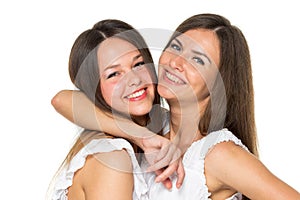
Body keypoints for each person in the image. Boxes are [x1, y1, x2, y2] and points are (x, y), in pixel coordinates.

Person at [52, 14, 300, 199]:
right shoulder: (152, 124)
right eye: (176, 47)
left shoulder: (217, 154)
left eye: (197, 59)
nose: (177, 63)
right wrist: (142, 136)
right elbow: (64, 100)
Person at [49, 19, 183, 200]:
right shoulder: (112, 159)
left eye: (138, 64)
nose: (134, 80)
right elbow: (60, 100)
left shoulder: (165, 127)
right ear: (93, 89)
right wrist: (143, 137)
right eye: (114, 74)